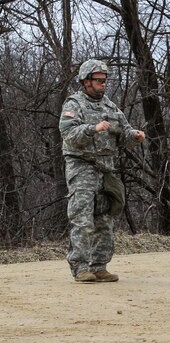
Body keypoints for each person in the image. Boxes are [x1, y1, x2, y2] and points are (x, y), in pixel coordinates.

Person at [58, 59, 145, 283]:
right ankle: (80, 268)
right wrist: (92, 128)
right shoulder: (74, 104)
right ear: (86, 81)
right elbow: (68, 134)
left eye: (105, 81)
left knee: (105, 219)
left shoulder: (110, 106)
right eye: (98, 81)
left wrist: (134, 135)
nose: (103, 84)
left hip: (106, 169)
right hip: (82, 165)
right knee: (82, 218)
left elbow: (123, 132)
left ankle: (99, 266)